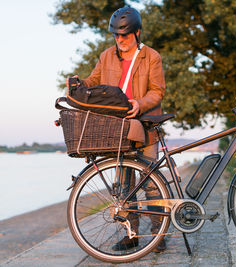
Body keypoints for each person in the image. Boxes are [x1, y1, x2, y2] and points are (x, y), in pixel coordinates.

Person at [66, 6, 166, 252]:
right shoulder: (107, 56)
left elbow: (158, 90)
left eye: (125, 35)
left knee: (151, 183)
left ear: (137, 32)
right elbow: (93, 81)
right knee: (122, 185)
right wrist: (78, 83)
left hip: (144, 126)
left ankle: (158, 236)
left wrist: (139, 103)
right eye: (116, 35)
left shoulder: (151, 56)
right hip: (117, 127)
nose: (120, 39)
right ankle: (131, 234)